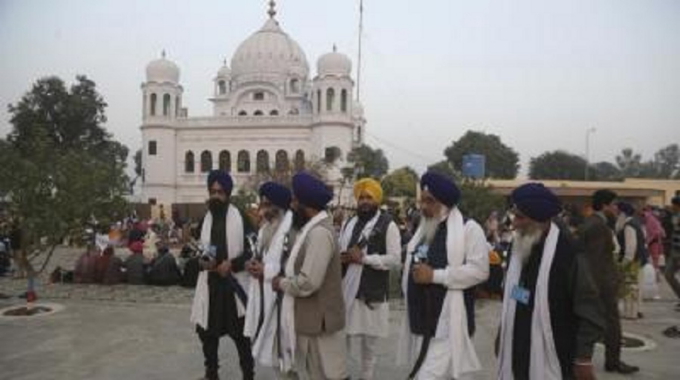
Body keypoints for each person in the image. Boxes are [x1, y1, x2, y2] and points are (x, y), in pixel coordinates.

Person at [498, 183, 604, 380]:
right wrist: (501, 336)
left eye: (520, 217)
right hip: (517, 344)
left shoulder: (569, 253)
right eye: (514, 216)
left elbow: (589, 308)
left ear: (539, 219)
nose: (514, 224)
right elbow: (511, 294)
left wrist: (583, 357)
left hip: (554, 349)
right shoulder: (518, 245)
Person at [397, 171, 489, 380]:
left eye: (430, 202)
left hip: (448, 321)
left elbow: (480, 271)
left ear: (445, 203)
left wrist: (436, 276)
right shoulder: (424, 229)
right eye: (422, 201)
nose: (423, 207)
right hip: (420, 320)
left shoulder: (469, 229)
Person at [272, 172, 347, 380]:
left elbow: (308, 282)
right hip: (310, 320)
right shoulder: (310, 230)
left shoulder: (319, 234)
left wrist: (281, 283)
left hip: (320, 323)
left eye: (295, 200)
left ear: (305, 204)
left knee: (328, 374)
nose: (292, 205)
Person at [190, 170, 254, 380]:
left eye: (220, 192)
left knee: (241, 337)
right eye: (213, 191)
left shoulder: (241, 216)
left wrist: (232, 264)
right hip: (210, 286)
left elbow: (253, 250)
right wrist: (203, 262)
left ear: (228, 193)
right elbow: (201, 249)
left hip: (234, 286)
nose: (216, 195)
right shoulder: (205, 220)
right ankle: (211, 373)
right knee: (207, 334)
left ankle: (248, 375)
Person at [339, 178, 401, 380]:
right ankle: (342, 374)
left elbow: (394, 260)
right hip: (346, 288)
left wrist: (365, 259)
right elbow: (341, 248)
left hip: (370, 292)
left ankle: (367, 376)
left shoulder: (387, 225)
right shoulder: (349, 222)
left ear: (377, 200)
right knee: (341, 336)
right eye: (361, 197)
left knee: (369, 343)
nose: (364, 201)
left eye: (369, 198)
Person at [578, 190, 638, 374]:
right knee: (611, 324)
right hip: (601, 286)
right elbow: (594, 261)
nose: (616, 208)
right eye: (613, 205)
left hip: (599, 283)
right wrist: (598, 287)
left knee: (592, 324)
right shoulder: (598, 226)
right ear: (604, 205)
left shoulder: (594, 222)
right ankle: (612, 362)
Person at [243, 181, 295, 376]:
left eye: (267, 204)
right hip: (264, 297)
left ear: (279, 205)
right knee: (272, 355)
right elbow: (260, 256)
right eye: (262, 203)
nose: (263, 208)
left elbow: (293, 266)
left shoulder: (292, 228)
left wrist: (267, 270)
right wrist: (252, 264)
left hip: (282, 299)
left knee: (286, 357)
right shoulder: (266, 228)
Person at [665, 196, 680, 310]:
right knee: (668, 274)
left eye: (673, 205)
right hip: (674, 250)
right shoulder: (674, 216)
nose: (672, 207)